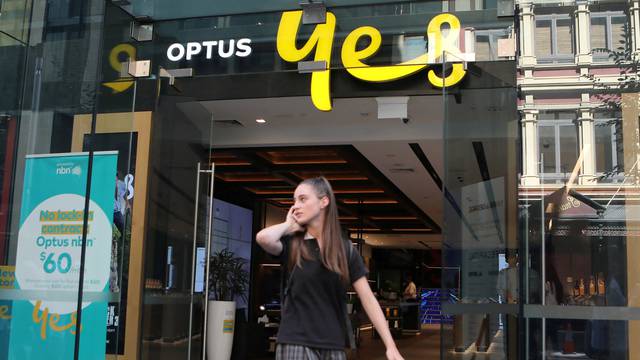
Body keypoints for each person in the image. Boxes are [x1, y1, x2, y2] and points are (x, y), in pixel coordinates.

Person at [256, 177, 404, 360]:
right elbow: (263, 238)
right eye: (294, 200)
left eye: (303, 199)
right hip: (296, 341)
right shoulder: (292, 244)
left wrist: (391, 346)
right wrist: (289, 225)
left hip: (332, 344)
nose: (296, 206)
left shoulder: (345, 250)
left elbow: (368, 299)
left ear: (323, 201)